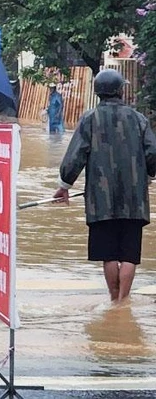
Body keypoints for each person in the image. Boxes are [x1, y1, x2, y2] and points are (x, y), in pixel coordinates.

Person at [54, 69, 156, 302]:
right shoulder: (138, 119)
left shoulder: (89, 119)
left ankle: (113, 299)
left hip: (100, 200)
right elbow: (153, 153)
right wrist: (149, 176)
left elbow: (75, 156)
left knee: (109, 254)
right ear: (120, 91)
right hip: (134, 199)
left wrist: (64, 185)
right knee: (129, 254)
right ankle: (123, 301)